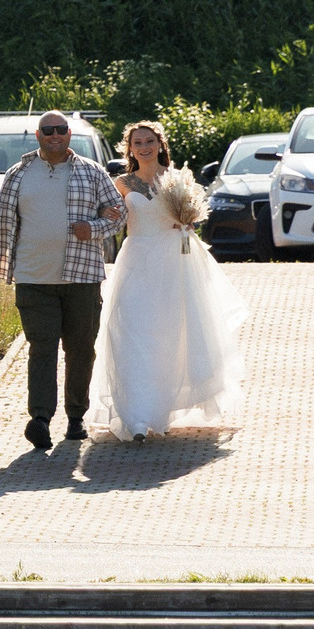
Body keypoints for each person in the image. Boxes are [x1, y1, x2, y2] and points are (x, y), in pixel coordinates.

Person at [0, 111, 127, 448]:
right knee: (41, 348)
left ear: (69, 134)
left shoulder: (92, 172)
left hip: (82, 279)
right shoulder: (18, 173)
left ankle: (76, 418)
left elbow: (119, 214)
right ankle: (40, 419)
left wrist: (94, 228)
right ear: (38, 135)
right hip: (33, 279)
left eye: (60, 129)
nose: (54, 135)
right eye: (48, 130)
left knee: (81, 350)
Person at [88, 120, 247, 442]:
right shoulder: (122, 183)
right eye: (137, 143)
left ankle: (162, 409)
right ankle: (136, 416)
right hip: (136, 260)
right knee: (131, 333)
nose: (144, 147)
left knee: (171, 334)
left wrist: (186, 222)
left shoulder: (177, 178)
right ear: (129, 148)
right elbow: (113, 217)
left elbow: (191, 215)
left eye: (149, 141)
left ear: (160, 144)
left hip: (173, 261)